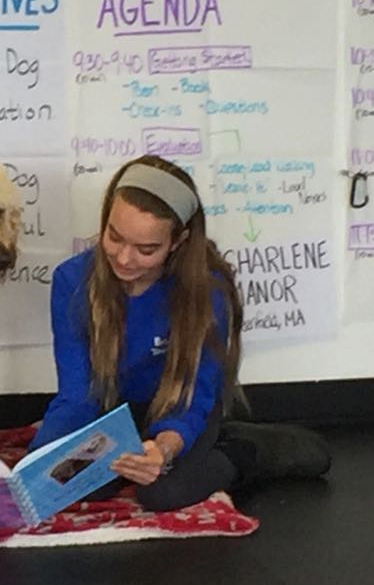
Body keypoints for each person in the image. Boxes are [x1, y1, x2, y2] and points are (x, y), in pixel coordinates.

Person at [32, 155, 330, 511]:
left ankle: (243, 448)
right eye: (114, 236)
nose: (124, 258)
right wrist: (42, 461)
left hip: (183, 407)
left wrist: (165, 447)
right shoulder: (71, 281)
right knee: (67, 486)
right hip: (116, 414)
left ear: (178, 241)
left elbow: (196, 392)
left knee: (163, 493)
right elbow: (77, 396)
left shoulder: (206, 289)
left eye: (146, 249)